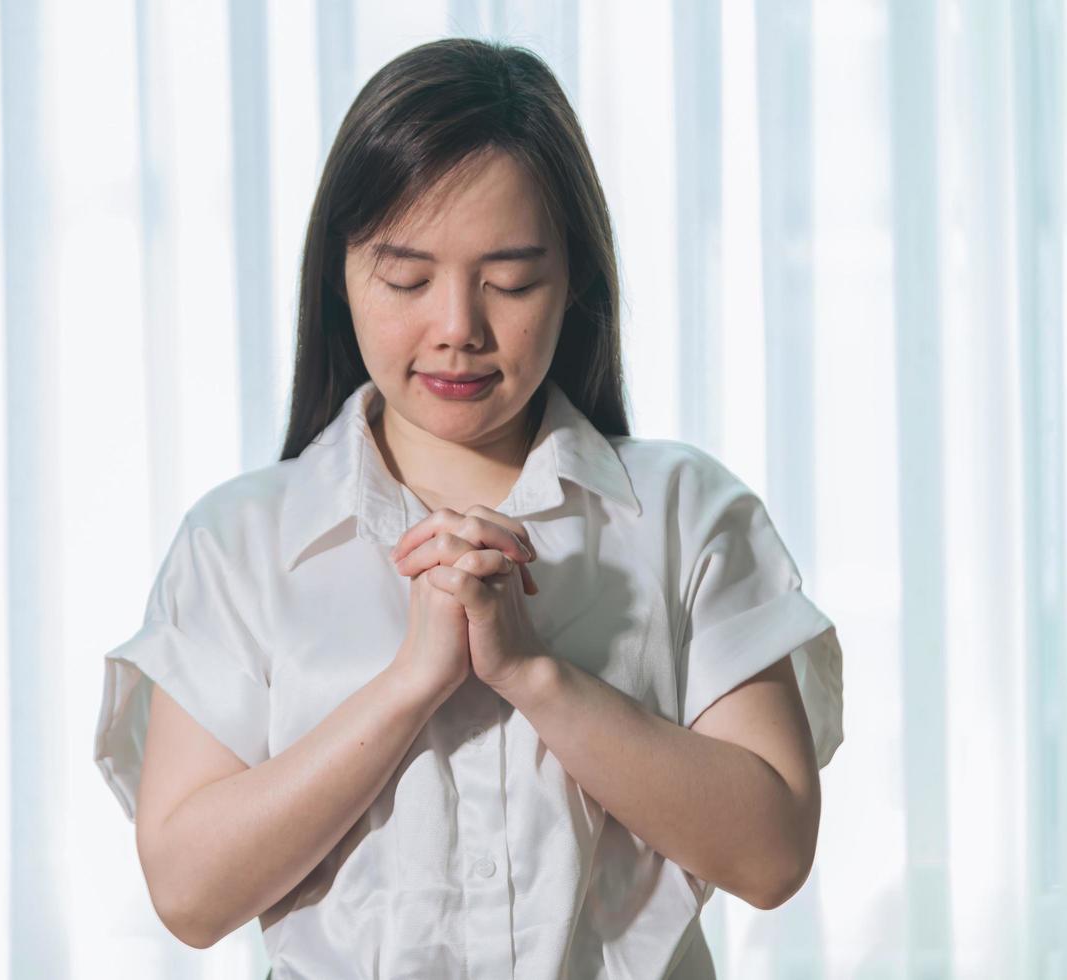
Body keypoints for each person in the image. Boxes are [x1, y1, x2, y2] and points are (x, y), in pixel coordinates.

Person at [93, 37, 844, 980]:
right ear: (340, 274)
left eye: (511, 279)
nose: (457, 327)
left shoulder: (686, 513)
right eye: (406, 278)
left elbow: (770, 854)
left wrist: (534, 674)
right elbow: (190, 896)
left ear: (576, 280)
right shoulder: (240, 541)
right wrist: (414, 680)